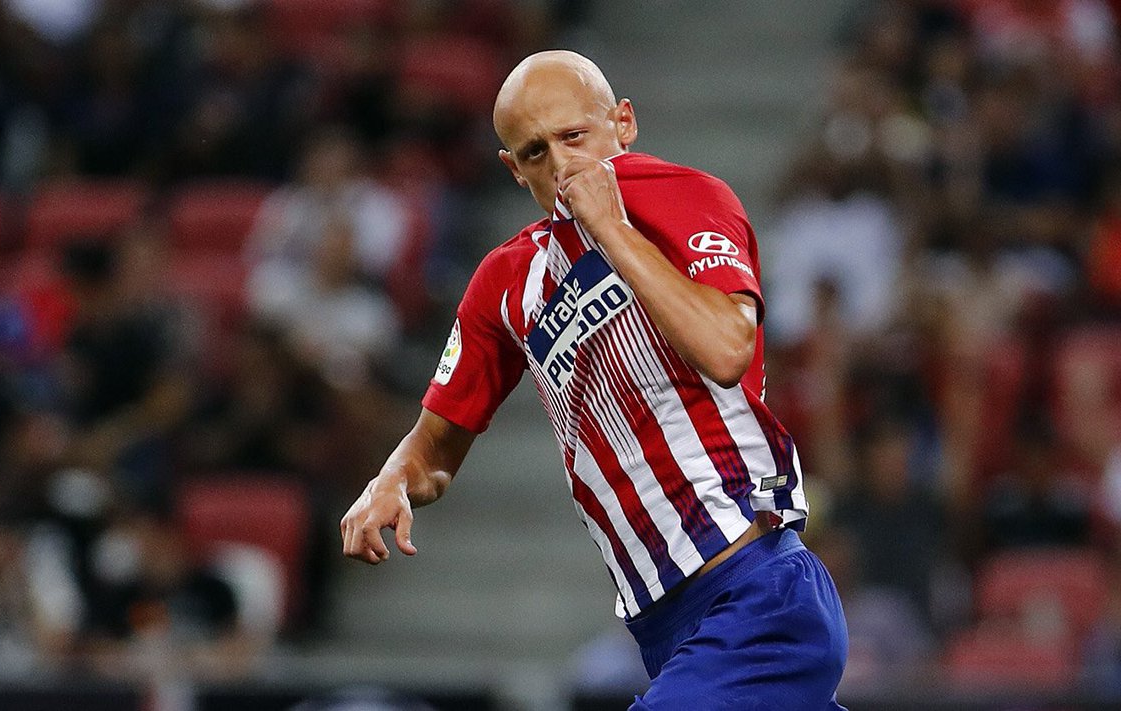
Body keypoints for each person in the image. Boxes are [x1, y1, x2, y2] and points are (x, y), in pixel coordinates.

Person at [341, 50, 848, 709]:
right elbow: (436, 447)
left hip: (758, 592)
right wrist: (392, 481)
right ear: (512, 169)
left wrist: (610, 228)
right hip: (666, 627)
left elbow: (727, 346)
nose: (560, 165)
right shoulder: (505, 282)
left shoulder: (687, 196)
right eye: (533, 152)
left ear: (624, 123)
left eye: (574, 137)